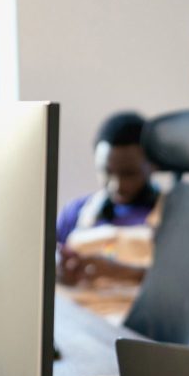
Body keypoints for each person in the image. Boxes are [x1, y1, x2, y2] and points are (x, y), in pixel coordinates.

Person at [56, 111, 161, 313]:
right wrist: (59, 270)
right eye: (106, 172)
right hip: (77, 321)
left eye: (129, 173)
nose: (116, 185)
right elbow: (41, 262)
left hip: (137, 326)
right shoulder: (76, 212)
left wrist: (120, 271)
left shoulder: (175, 218)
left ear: (152, 165)